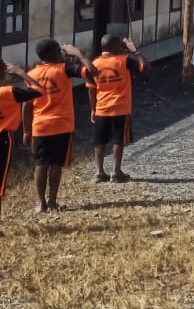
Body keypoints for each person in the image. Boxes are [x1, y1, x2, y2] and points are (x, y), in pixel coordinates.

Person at [23, 39, 96, 213]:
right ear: (56, 53)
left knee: (41, 164)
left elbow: (27, 105)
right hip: (62, 125)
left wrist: (26, 130)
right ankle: (53, 202)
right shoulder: (65, 70)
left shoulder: (31, 75)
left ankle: (41, 204)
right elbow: (93, 71)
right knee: (56, 164)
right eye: (61, 51)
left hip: (40, 126)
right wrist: (77, 53)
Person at [85, 34, 147, 183]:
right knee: (118, 140)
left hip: (101, 108)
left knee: (99, 141)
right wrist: (134, 50)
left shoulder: (94, 64)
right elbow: (144, 67)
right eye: (121, 45)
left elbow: (91, 89)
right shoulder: (124, 61)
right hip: (120, 108)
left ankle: (99, 172)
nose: (122, 47)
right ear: (115, 47)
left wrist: (93, 108)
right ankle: (116, 172)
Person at [0, 61, 42, 215]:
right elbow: (39, 89)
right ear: (3, 73)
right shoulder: (8, 92)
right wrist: (20, 72)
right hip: (3, 138)